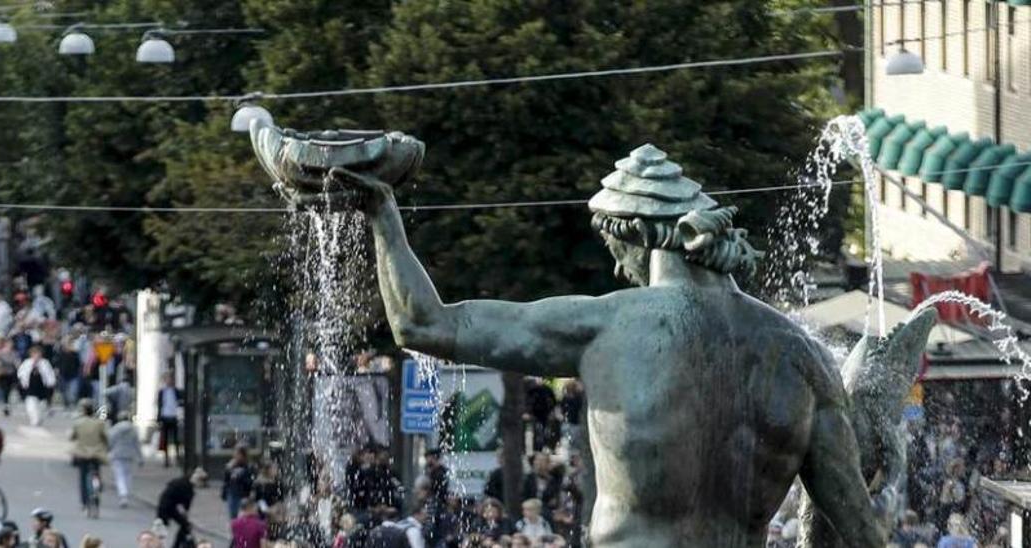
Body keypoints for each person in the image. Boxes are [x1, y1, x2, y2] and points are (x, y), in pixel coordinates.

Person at [327, 150, 918, 547]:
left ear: (640, 234)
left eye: (615, 244)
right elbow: (861, 534)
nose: (615, 264)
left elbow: (420, 325)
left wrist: (382, 213)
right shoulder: (802, 357)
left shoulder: (604, 325)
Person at [70, 399, 108, 517]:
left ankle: (85, 504)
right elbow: (105, 438)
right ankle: (97, 490)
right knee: (96, 473)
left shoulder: (78, 423)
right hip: (96, 454)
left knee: (82, 479)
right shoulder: (100, 423)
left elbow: (72, 437)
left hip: (83, 454)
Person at [107, 412, 142, 508]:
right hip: (130, 455)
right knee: (128, 476)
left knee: (119, 476)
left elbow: (110, 442)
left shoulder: (115, 429)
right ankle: (126, 494)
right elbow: (137, 444)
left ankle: (123, 495)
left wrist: (107, 451)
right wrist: (140, 457)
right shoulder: (134, 429)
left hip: (117, 455)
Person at [17, 346, 57, 427]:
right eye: (34, 354)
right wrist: (22, 381)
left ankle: (38, 417)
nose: (36, 356)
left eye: (38, 354)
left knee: (41, 405)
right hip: (30, 386)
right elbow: (20, 373)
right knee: (30, 404)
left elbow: (50, 374)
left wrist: (52, 383)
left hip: (42, 387)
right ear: (31, 354)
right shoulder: (27, 362)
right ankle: (34, 419)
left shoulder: (45, 363)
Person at [156, 475, 195, 548]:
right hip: (166, 506)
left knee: (184, 525)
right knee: (161, 529)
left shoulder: (184, 483)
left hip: (168, 506)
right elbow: (185, 508)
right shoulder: (188, 489)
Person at [156, 373, 183, 468]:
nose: (169, 381)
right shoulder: (162, 392)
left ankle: (178, 458)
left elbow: (181, 400)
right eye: (167, 379)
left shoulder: (176, 391)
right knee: (165, 439)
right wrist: (158, 418)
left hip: (173, 416)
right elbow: (159, 405)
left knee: (176, 439)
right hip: (165, 416)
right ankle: (166, 459)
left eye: (170, 379)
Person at [221, 446, 255, 520]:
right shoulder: (231, 465)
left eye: (237, 454)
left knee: (244, 516)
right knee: (233, 517)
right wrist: (228, 469)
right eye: (235, 453)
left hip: (244, 494)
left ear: (243, 455)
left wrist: (240, 477)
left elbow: (251, 481)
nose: (235, 456)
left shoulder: (249, 466)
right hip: (232, 494)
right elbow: (226, 480)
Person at [0, 339, 20, 416]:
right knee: (4, 389)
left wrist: (17, 365)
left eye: (11, 345)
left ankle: (6, 404)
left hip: (10, 374)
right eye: (8, 344)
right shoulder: (0, 353)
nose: (10, 346)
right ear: (5, 345)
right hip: (2, 374)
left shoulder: (14, 353)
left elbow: (17, 363)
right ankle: (5, 404)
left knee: (8, 390)